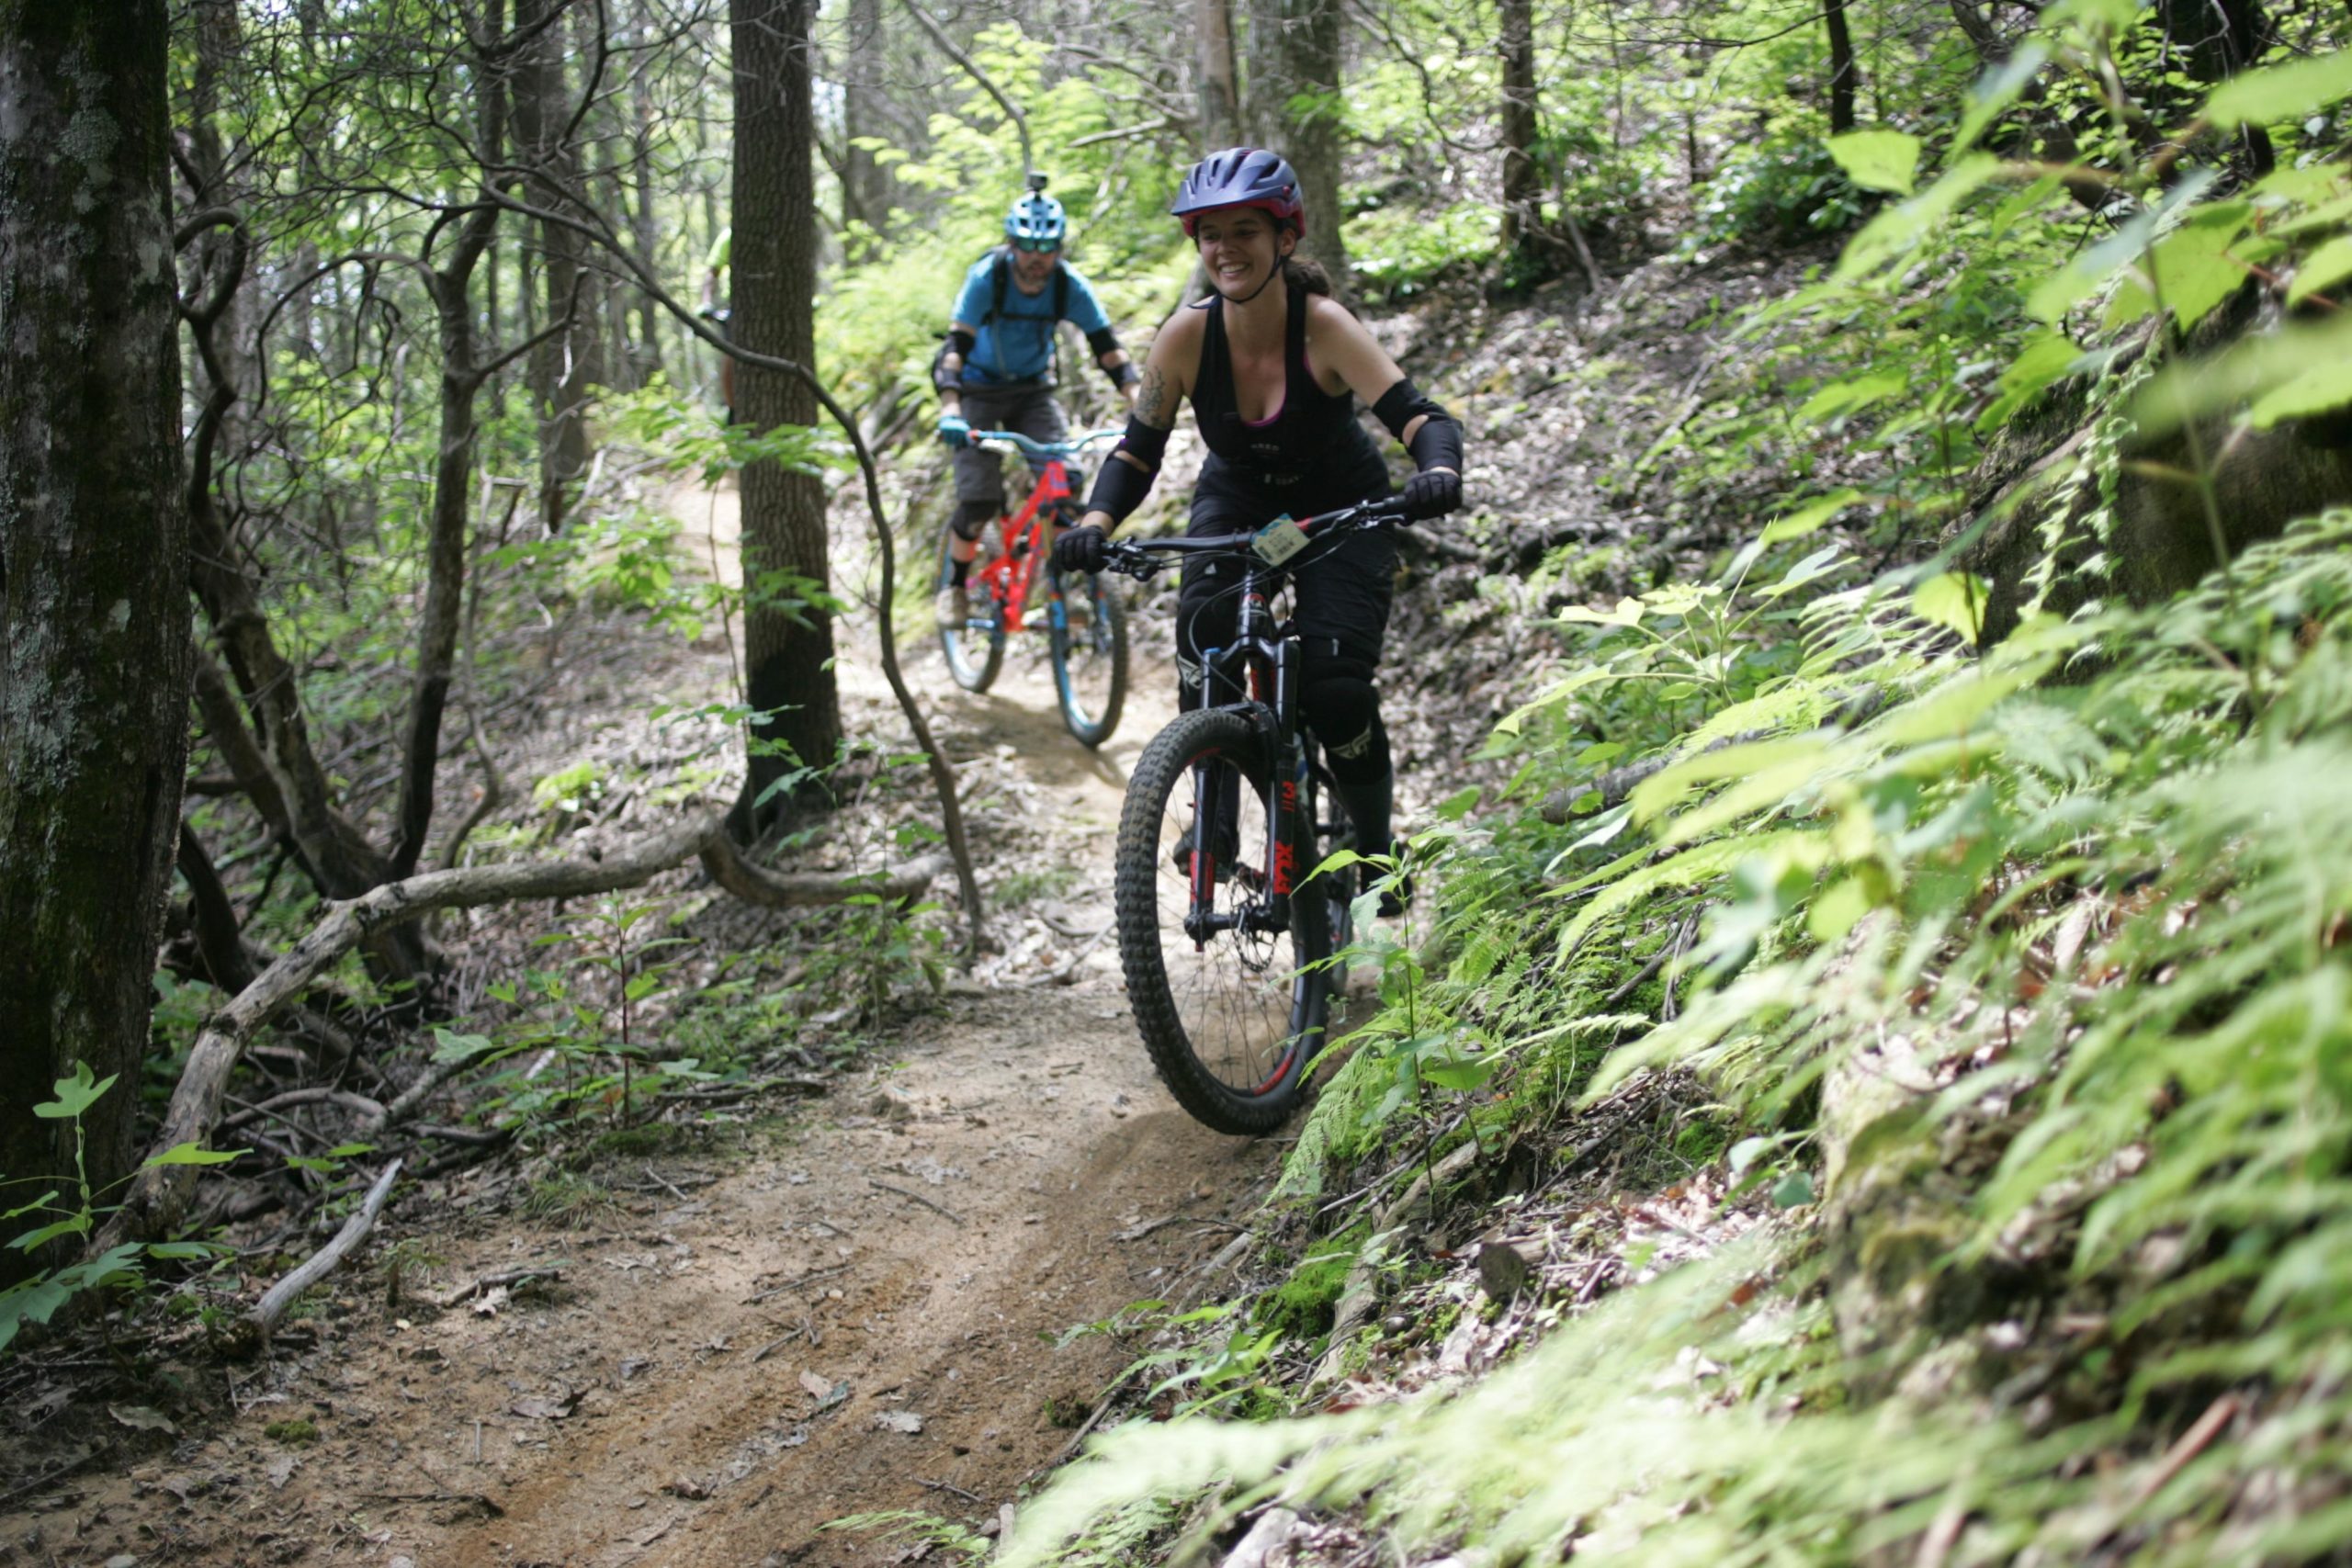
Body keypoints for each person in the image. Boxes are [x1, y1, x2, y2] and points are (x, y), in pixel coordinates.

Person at [1050, 147, 1464, 904]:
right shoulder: (1183, 338)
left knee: (1336, 691)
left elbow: (1420, 418)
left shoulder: (1325, 327)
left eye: (1245, 230)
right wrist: (1096, 519)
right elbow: (1137, 450)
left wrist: (1436, 472)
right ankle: (1211, 820)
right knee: (1203, 642)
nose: (1225, 248)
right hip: (1240, 501)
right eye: (1210, 233)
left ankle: (1374, 850)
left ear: (1286, 239)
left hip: (1342, 506)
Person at [933, 178, 1142, 625]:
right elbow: (954, 347)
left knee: (1065, 485)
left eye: (1046, 248)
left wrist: (1140, 400)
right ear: (1011, 245)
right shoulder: (987, 278)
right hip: (976, 390)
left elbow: (1107, 348)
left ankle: (1065, 589)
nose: (1036, 259)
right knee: (978, 501)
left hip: (1032, 391)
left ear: (1059, 250)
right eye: (1027, 247)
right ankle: (955, 588)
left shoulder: (1068, 286)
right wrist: (950, 407)